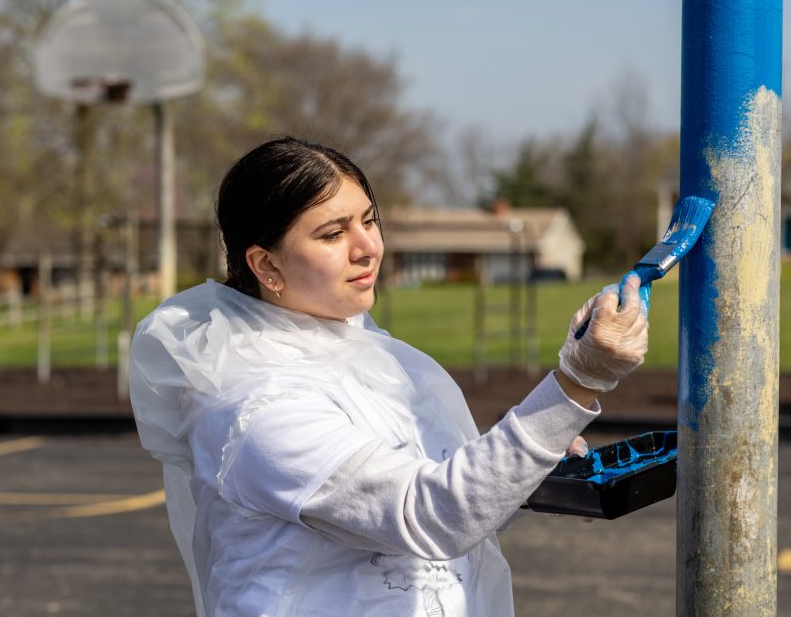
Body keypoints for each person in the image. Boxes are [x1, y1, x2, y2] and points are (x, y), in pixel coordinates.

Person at [129, 136, 648, 617]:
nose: (367, 247)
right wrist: (577, 383)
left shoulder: (366, 354)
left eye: (369, 221)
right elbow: (430, 514)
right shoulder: (253, 407)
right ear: (266, 265)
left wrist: (529, 471)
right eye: (333, 233)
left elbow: (446, 486)